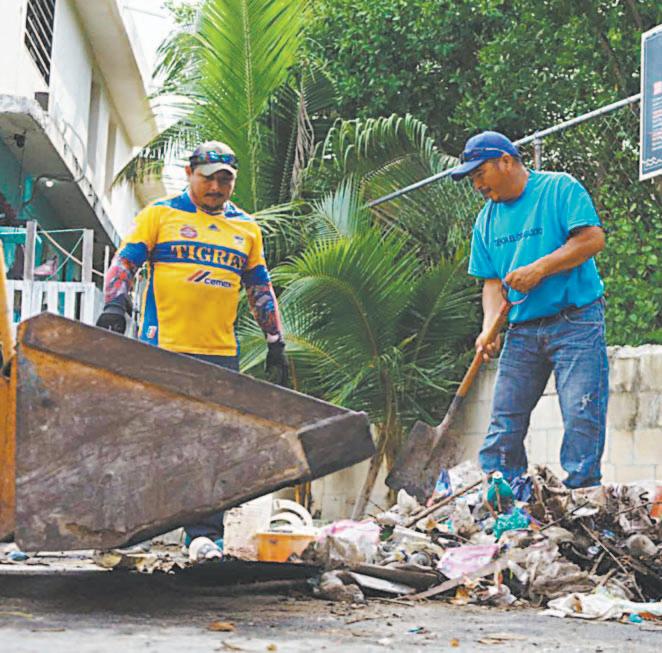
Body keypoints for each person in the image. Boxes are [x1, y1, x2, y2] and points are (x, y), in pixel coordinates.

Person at [96, 141, 288, 551]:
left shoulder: (246, 229)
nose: (216, 187)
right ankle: (136, 532)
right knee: (152, 442)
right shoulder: (160, 215)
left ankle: (204, 535)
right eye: (208, 178)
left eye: (225, 180)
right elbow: (124, 262)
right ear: (189, 174)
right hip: (162, 348)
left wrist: (275, 341)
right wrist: (114, 303)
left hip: (219, 355)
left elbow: (260, 288)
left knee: (213, 449)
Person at [450, 131, 608, 490]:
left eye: (480, 174)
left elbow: (592, 239)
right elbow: (492, 283)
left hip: (576, 321)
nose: (477, 185)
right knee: (504, 420)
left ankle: (582, 495)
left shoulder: (558, 189)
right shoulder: (486, 221)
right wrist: (489, 328)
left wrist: (540, 268)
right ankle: (501, 495)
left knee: (582, 414)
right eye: (472, 178)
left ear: (506, 161)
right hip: (522, 331)